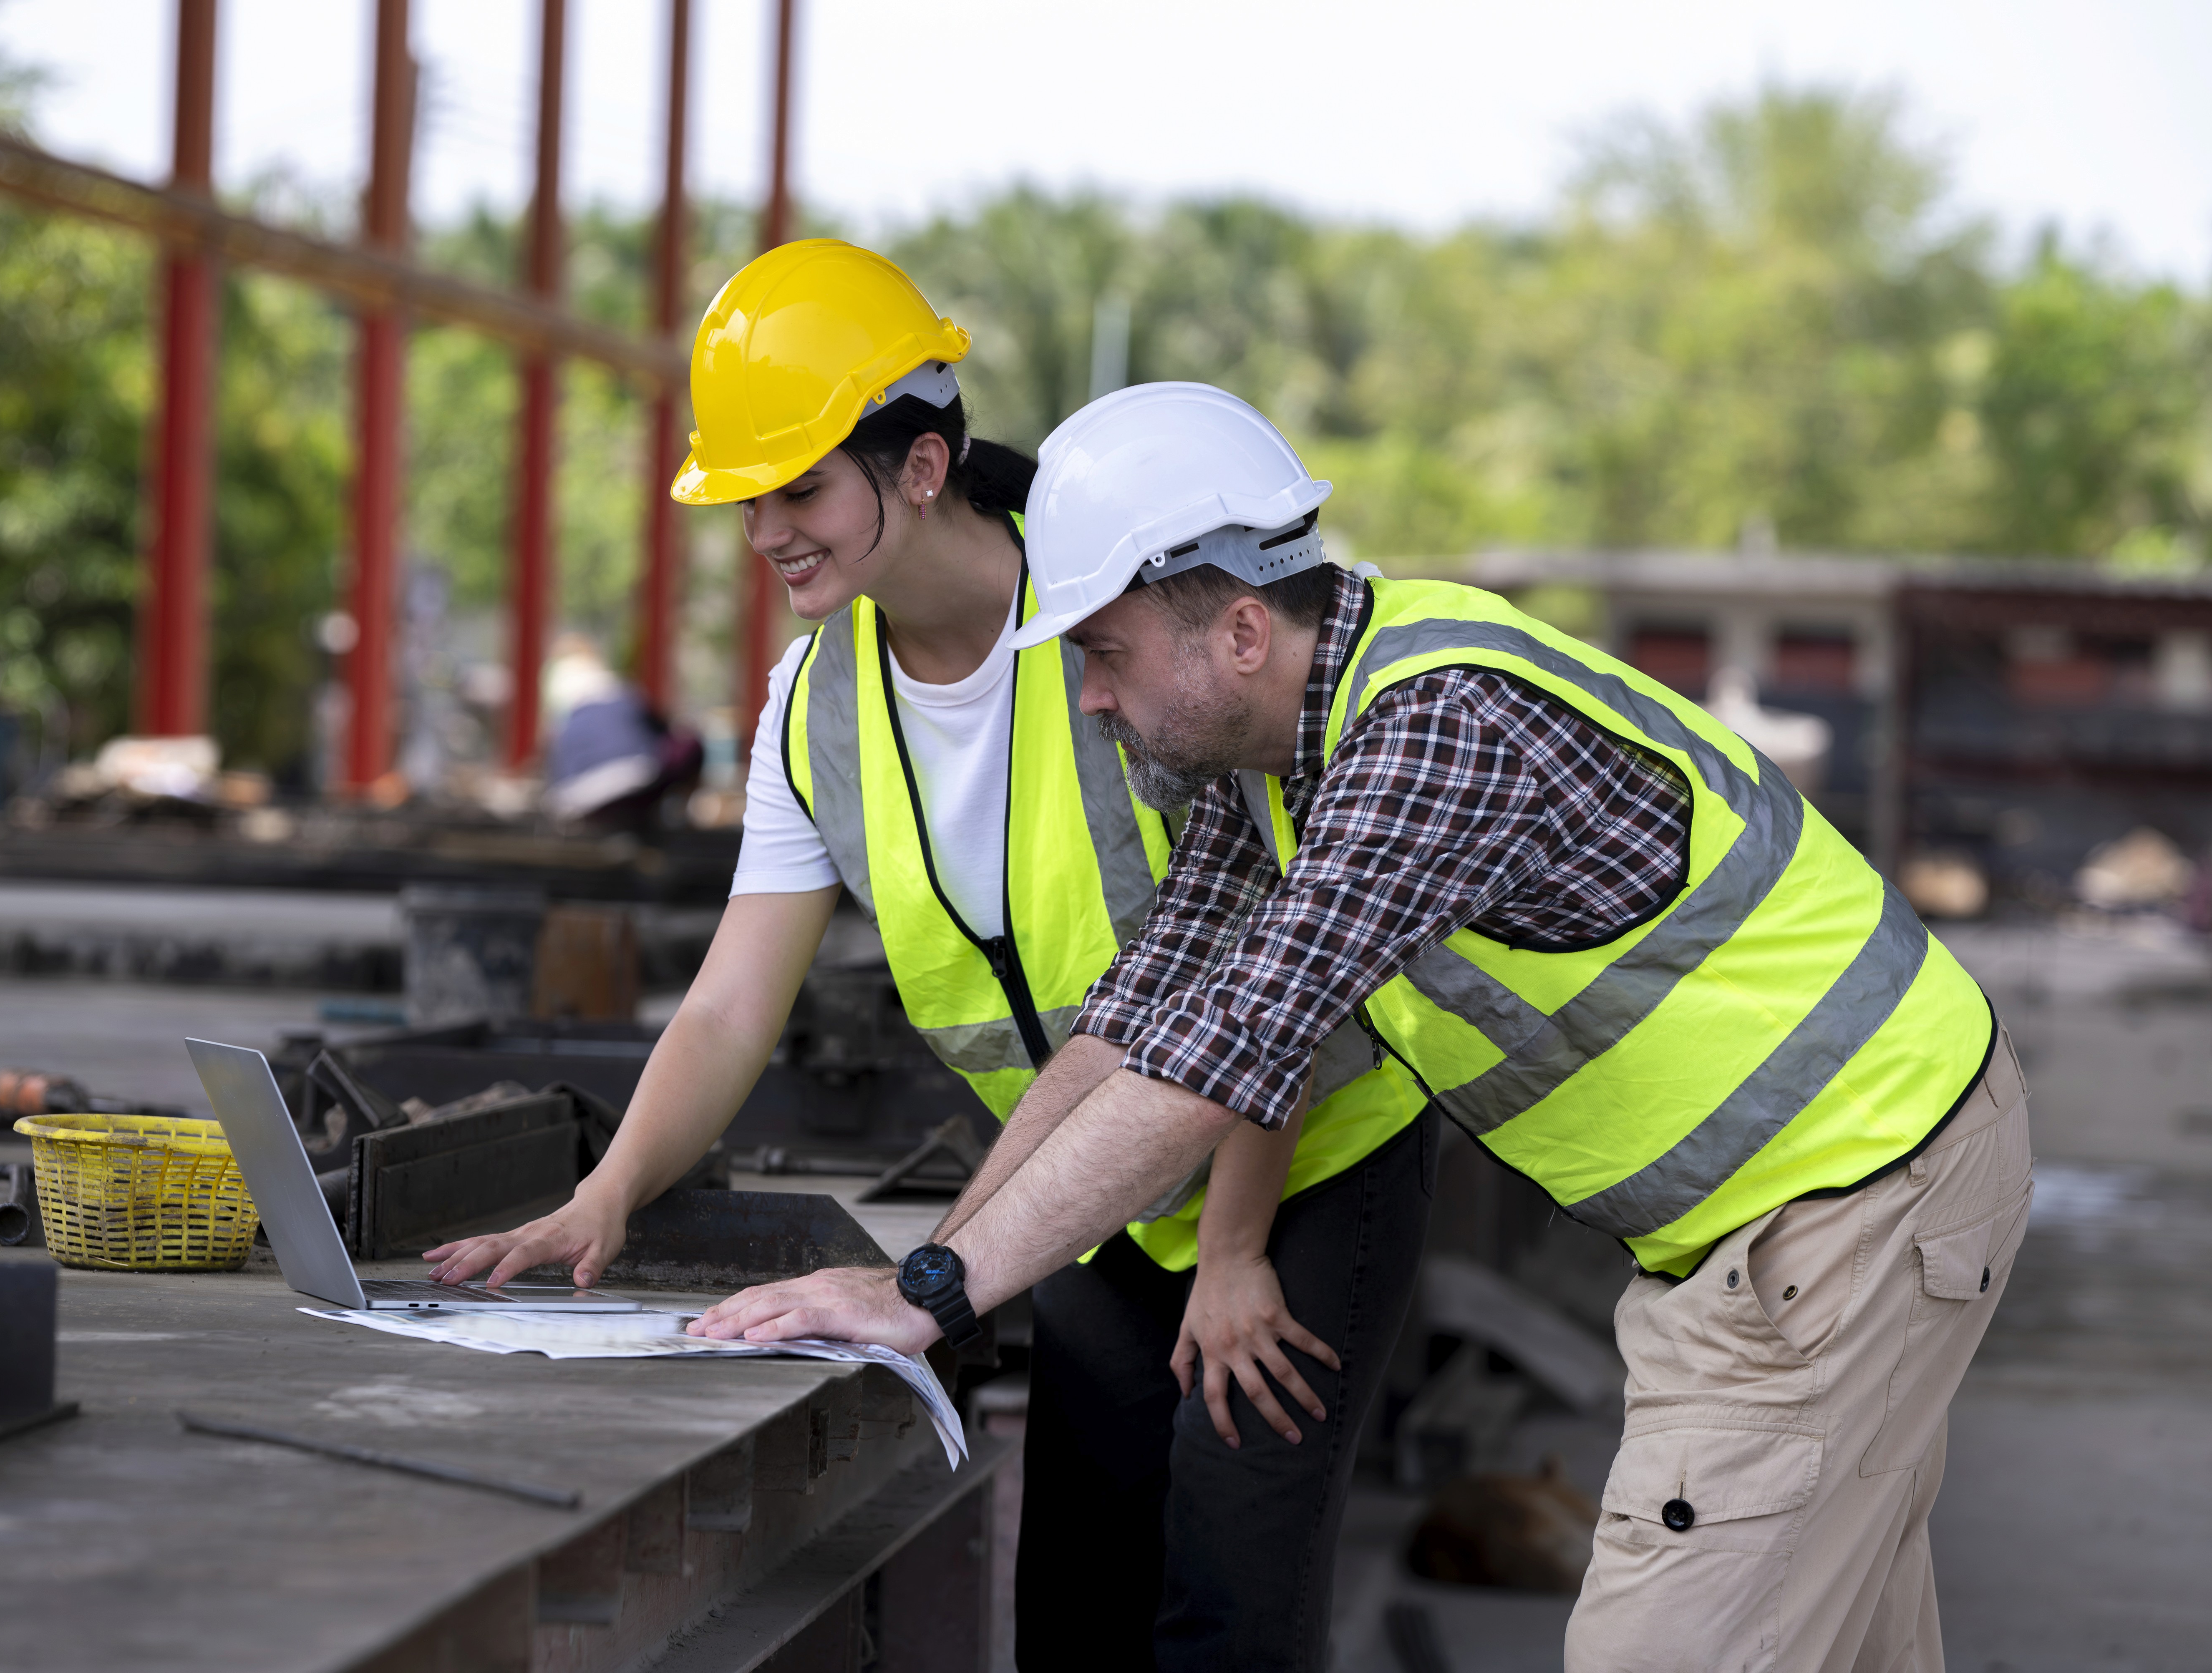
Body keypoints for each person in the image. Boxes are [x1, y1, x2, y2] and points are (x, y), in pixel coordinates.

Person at [690, 382, 2032, 1671]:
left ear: (1240, 635)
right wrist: (930, 1269)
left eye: (1104, 651)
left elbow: (1223, 1064)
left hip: (1853, 1189)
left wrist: (932, 1294)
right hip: (1785, 1210)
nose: (1089, 697)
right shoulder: (1272, 769)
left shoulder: (1429, 728)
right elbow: (1131, 1029)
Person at [420, 247, 1432, 1668]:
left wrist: (1235, 1247)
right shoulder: (813, 704)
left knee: (1224, 1609)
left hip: (1301, 1165)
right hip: (1073, 1178)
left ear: (921, 464)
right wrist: (604, 1195)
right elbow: (727, 1002)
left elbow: (1283, 976)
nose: (770, 532)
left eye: (801, 489)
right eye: (748, 500)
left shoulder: (1122, 634)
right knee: (1075, 1610)